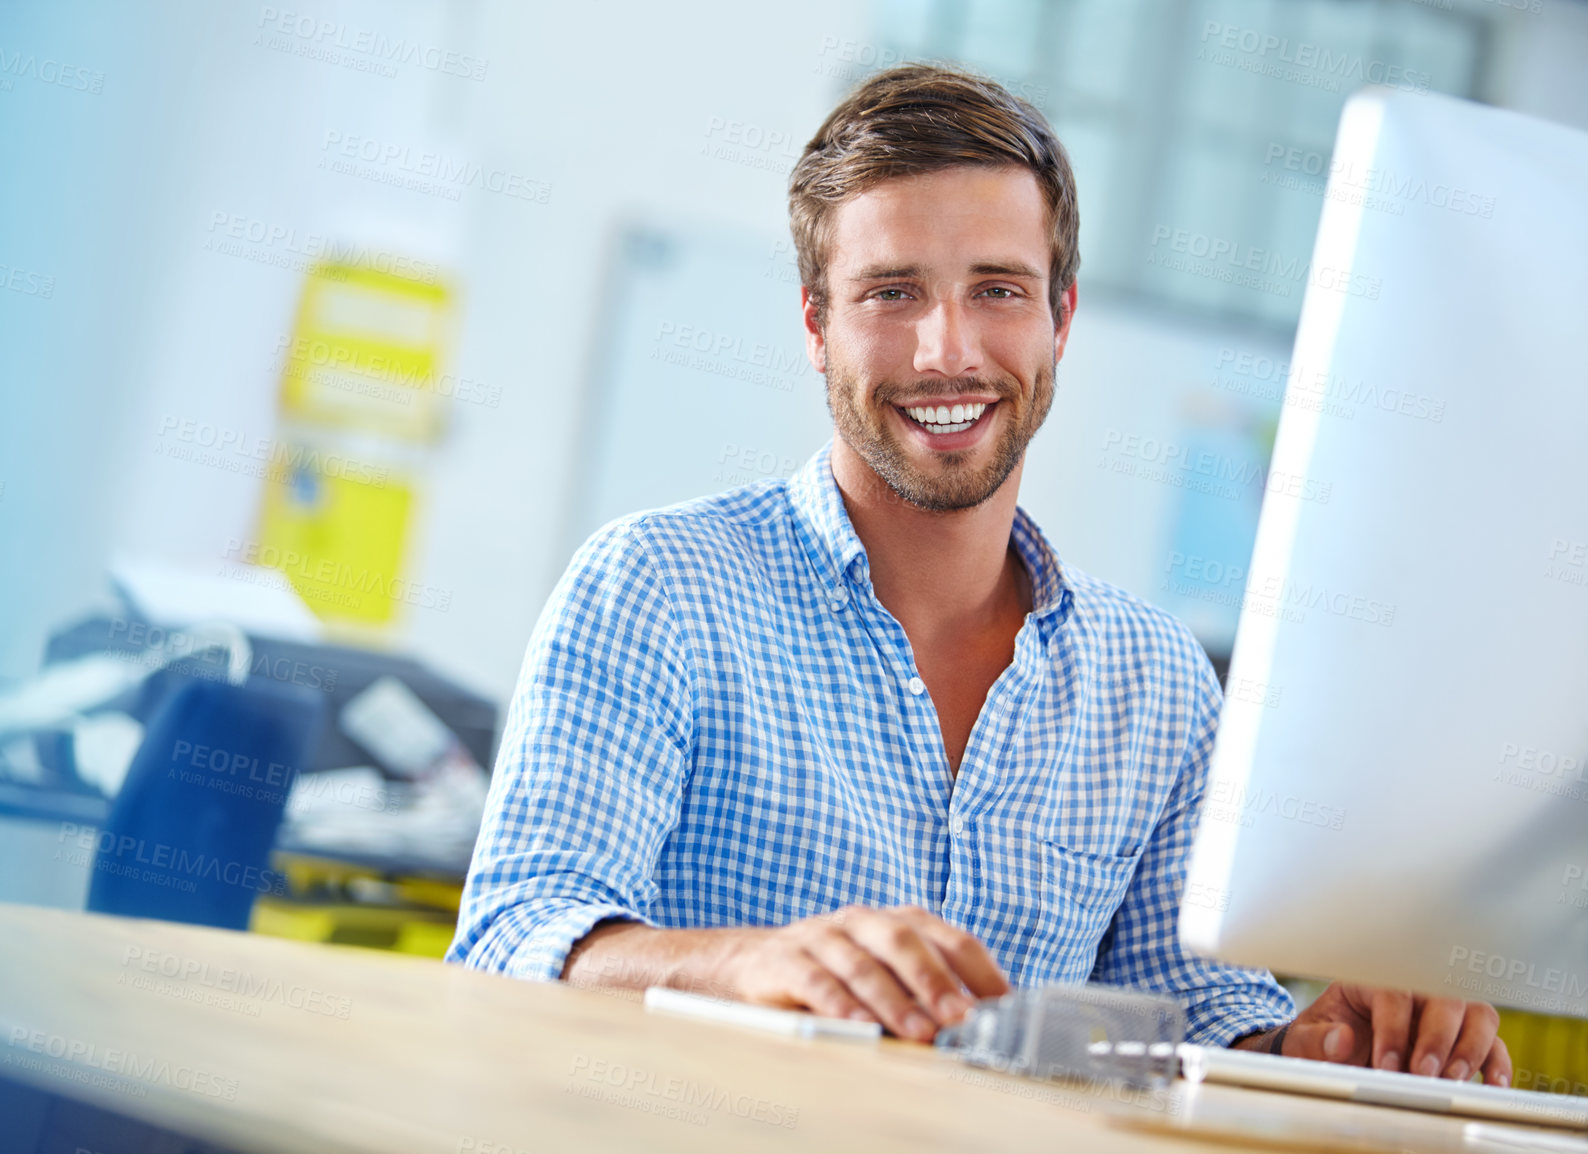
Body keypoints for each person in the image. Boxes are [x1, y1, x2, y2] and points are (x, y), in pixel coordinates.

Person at [449, 63, 1510, 1085]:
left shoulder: (1153, 680)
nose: (944, 349)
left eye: (997, 288)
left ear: (1060, 317)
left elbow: (1192, 1021)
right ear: (816, 324)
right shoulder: (656, 588)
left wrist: (1322, 1044)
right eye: (890, 292)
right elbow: (513, 936)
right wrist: (737, 965)